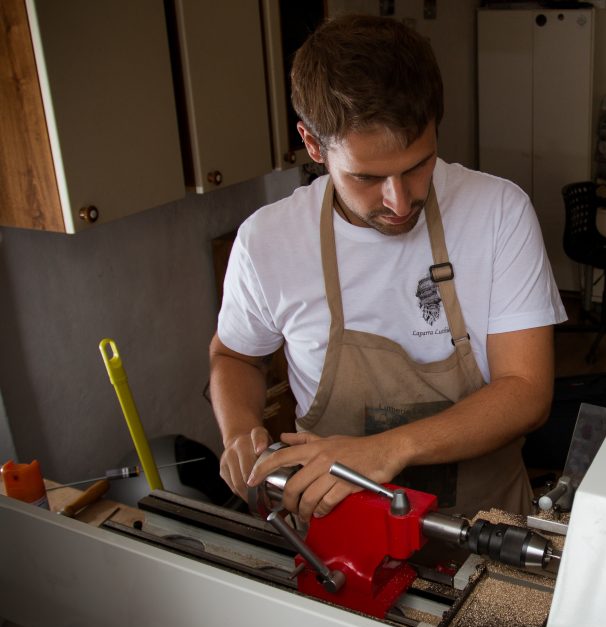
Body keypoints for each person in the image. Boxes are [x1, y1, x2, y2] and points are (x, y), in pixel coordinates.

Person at [209, 14, 566, 522]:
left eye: (418, 165)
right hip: (337, 539)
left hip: (484, 528)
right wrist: (240, 430)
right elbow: (235, 356)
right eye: (368, 177)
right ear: (313, 145)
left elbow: (527, 392)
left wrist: (386, 450)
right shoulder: (268, 241)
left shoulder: (498, 212)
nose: (400, 201)